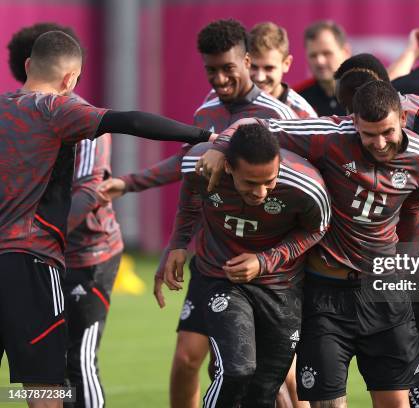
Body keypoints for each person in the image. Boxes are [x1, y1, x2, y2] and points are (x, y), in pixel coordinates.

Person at [0, 30, 210, 408]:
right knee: (46, 389)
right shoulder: (58, 110)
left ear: (28, 65)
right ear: (70, 80)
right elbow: (130, 121)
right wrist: (204, 135)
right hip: (30, 262)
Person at [97, 18, 297, 408]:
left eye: (228, 68)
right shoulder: (206, 111)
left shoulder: (278, 116)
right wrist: (132, 185)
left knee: (268, 375)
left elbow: (296, 189)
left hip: (262, 264)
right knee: (189, 358)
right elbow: (188, 167)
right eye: (211, 69)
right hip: (212, 258)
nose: (220, 78)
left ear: (248, 60)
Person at [199, 80, 419, 408]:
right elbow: (256, 126)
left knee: (395, 402)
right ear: (354, 123)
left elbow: (411, 211)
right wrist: (221, 145)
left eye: (388, 133)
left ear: (403, 121)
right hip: (327, 295)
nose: (379, 143)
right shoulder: (327, 136)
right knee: (326, 403)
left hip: (383, 291)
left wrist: (412, 266)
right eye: (368, 134)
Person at [164, 123, 329, 407]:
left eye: (269, 181)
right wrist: (179, 243)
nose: (261, 192)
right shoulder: (199, 164)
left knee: (265, 389)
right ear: (228, 167)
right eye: (250, 183)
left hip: (280, 286)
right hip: (221, 277)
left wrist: (265, 261)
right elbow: (190, 195)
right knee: (236, 370)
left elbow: (317, 229)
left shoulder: (307, 187)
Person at [7, 22, 124, 408]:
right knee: (52, 376)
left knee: (75, 360)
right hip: (37, 260)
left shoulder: (74, 118)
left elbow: (90, 187)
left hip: (86, 253)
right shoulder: (46, 112)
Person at [249, 22, 317, 119]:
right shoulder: (229, 104)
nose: (260, 77)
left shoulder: (303, 115)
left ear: (286, 64)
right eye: (253, 67)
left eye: (269, 68)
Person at [293, 20, 351, 116]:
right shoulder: (297, 99)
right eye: (313, 55)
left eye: (327, 53)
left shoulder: (364, 93)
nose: (319, 61)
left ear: (346, 51)